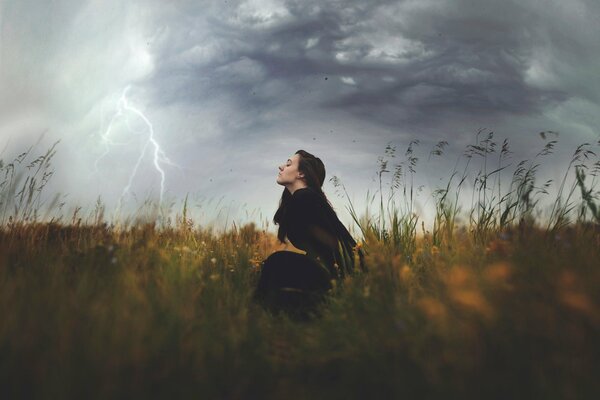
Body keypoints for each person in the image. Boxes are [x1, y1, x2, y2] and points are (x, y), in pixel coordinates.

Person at [253, 150, 366, 319]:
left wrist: (346, 282)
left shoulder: (306, 199)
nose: (281, 166)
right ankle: (266, 312)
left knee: (277, 262)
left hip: (340, 276)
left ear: (301, 173)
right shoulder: (303, 199)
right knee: (276, 263)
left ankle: (261, 313)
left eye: (289, 163)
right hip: (337, 274)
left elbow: (334, 246)